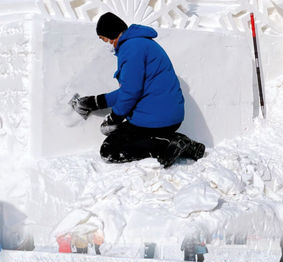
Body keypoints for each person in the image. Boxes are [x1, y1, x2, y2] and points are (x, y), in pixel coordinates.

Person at [73, 12, 205, 167]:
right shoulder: (140, 44)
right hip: (166, 116)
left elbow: (131, 91)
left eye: (106, 39)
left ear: (111, 34)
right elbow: (132, 89)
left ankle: (169, 145)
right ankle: (185, 147)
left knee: (110, 150)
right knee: (122, 135)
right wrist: (96, 102)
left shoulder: (130, 48)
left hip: (154, 118)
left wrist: (114, 117)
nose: (109, 44)